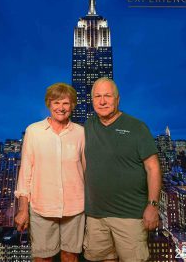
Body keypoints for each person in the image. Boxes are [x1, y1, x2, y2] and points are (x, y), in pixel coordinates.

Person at [83, 77, 162, 262]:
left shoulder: (137, 127)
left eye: (108, 96)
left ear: (117, 99)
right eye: (98, 96)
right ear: (92, 100)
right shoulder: (88, 127)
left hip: (130, 216)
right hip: (96, 215)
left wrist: (152, 205)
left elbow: (153, 168)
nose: (102, 101)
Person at [14, 83, 85, 262]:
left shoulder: (81, 133)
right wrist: (23, 209)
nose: (61, 108)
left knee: (70, 256)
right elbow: (25, 173)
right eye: (56, 102)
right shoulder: (34, 131)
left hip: (74, 208)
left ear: (73, 106)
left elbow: (86, 170)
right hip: (41, 208)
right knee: (42, 258)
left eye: (66, 103)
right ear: (49, 104)